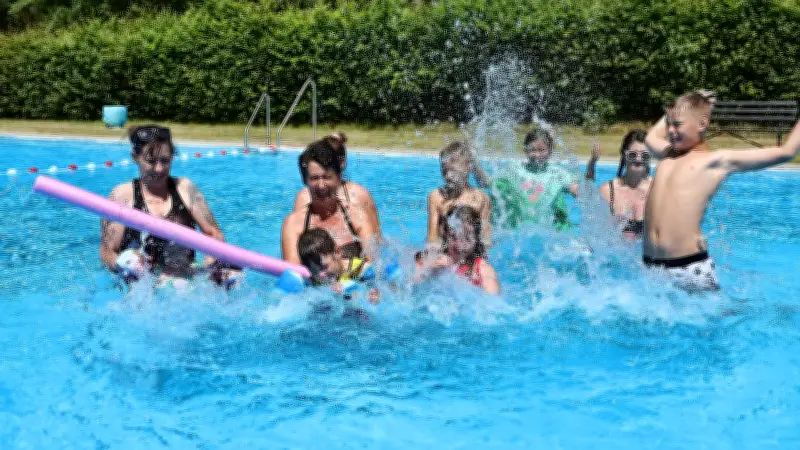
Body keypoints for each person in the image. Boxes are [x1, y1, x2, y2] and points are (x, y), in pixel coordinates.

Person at [643, 90, 800, 291]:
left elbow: (786, 152)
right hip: (651, 267)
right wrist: (674, 111)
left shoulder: (715, 161)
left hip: (688, 267)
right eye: (669, 124)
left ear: (702, 124)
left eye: (678, 124)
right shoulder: (667, 153)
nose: (671, 130)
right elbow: (650, 137)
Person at [100, 125, 239, 287]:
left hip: (184, 280)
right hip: (141, 286)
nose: (159, 168)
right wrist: (122, 263)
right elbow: (107, 251)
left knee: (233, 274)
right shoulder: (122, 196)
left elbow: (214, 234)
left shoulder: (185, 189)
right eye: (151, 161)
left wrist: (211, 263)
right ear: (135, 157)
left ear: (172, 157)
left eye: (165, 160)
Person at [282, 139, 378, 265]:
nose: (321, 185)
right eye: (314, 178)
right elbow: (293, 272)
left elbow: (375, 267)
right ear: (305, 181)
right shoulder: (294, 224)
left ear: (338, 178)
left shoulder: (357, 216)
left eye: (327, 177)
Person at [292, 132, 382, 239]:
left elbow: (376, 240)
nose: (321, 185)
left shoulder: (359, 195)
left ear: (341, 163)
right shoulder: (304, 198)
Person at [490, 129, 580, 230]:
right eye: (532, 150)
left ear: (550, 152)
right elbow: (487, 183)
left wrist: (591, 164)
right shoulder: (515, 170)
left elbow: (579, 193)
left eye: (541, 150)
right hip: (519, 228)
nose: (537, 155)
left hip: (549, 229)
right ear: (525, 150)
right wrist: (476, 165)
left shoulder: (558, 174)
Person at [415, 205, 500, 294]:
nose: (460, 245)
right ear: (446, 235)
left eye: (467, 238)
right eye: (454, 237)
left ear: (476, 240)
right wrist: (430, 271)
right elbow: (412, 289)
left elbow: (493, 297)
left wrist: (453, 274)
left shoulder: (482, 270)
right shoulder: (430, 259)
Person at [585, 130, 652, 239]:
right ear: (624, 155)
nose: (638, 159)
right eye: (633, 154)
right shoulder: (608, 191)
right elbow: (587, 201)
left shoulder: (658, 190)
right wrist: (592, 163)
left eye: (645, 155)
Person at [426, 141, 492, 249]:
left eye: (453, 171)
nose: (448, 176)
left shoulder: (482, 199)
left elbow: (486, 238)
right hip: (445, 250)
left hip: (471, 251)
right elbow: (432, 237)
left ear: (469, 167)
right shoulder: (436, 196)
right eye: (444, 171)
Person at [297, 228, 379, 304]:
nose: (320, 274)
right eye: (314, 271)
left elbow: (379, 293)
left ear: (338, 252)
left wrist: (371, 296)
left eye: (324, 267)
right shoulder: (311, 279)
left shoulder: (361, 269)